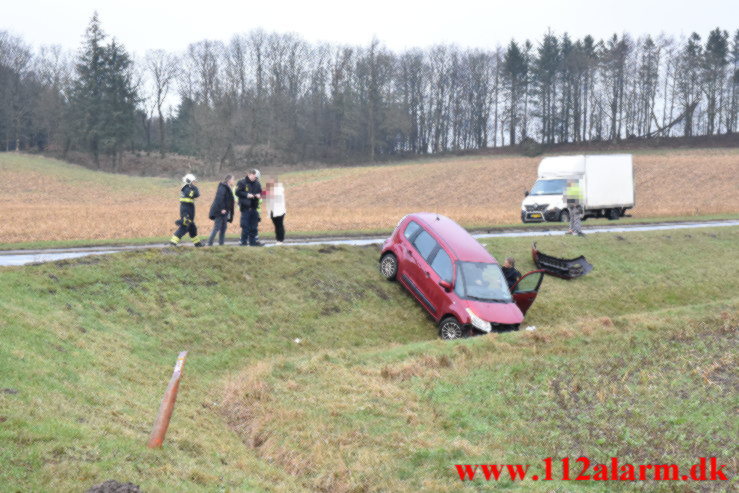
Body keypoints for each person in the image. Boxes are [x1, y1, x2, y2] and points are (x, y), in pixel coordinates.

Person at [170, 173, 204, 247]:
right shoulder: (186, 188)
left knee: (192, 228)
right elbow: (194, 194)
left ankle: (197, 243)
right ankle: (173, 242)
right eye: (193, 181)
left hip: (189, 210)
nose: (194, 183)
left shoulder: (189, 188)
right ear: (189, 181)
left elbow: (197, 194)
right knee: (184, 227)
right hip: (186, 210)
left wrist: (195, 189)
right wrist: (195, 189)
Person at [235, 169, 264, 246]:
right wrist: (247, 195)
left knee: (254, 227)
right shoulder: (242, 182)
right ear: (251, 174)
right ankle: (243, 243)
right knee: (245, 226)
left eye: (257, 178)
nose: (256, 179)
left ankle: (253, 243)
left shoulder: (257, 183)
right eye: (255, 177)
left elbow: (261, 192)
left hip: (254, 208)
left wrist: (259, 195)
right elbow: (237, 192)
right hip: (245, 208)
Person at [207, 174, 235, 246]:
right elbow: (219, 198)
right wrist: (222, 209)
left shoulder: (228, 187)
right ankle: (209, 244)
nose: (233, 181)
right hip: (219, 212)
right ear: (229, 180)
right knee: (217, 228)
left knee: (223, 228)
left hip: (225, 212)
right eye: (233, 179)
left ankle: (221, 244)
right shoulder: (223, 187)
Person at [265, 177, 286, 245]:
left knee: (279, 225)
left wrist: (263, 193)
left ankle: (280, 240)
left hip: (279, 211)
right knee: (276, 226)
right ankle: (278, 239)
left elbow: (275, 197)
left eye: (270, 181)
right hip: (273, 211)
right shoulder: (271, 189)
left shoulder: (278, 189)